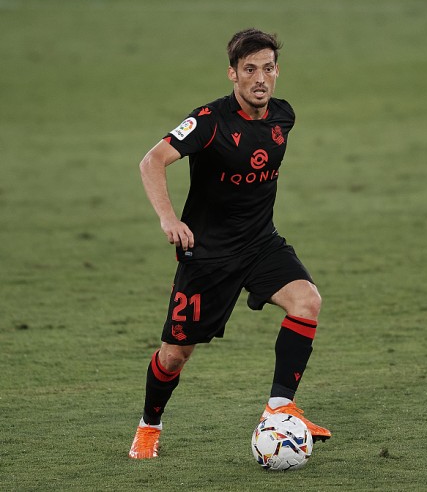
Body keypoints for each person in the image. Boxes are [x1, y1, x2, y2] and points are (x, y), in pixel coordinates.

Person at [128, 28, 331, 459]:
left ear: (277, 72)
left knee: (307, 301)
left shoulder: (283, 116)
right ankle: (149, 427)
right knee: (174, 355)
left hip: (260, 244)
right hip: (208, 256)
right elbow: (152, 161)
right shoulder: (208, 121)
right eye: (250, 69)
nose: (260, 79)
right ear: (233, 74)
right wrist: (169, 218)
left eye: (268, 69)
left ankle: (279, 409)